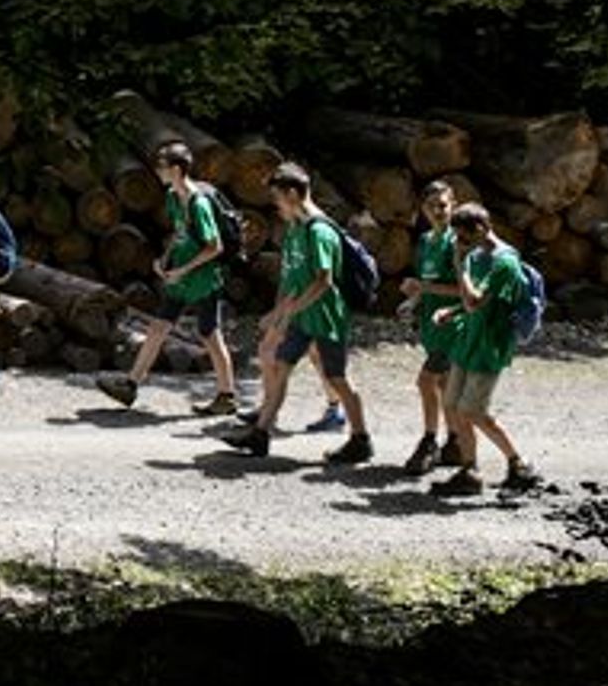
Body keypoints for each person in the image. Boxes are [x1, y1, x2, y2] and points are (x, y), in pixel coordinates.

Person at [223, 163, 372, 463]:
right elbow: (291, 279)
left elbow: (323, 280)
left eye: (278, 197)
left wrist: (289, 311)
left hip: (326, 318)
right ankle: (261, 434)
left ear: (293, 194)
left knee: (338, 378)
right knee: (280, 367)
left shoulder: (320, 232)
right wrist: (278, 313)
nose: (275, 204)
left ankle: (360, 439)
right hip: (301, 318)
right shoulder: (294, 230)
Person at [93, 142, 238, 415]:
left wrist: (183, 270)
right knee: (159, 327)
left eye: (161, 166)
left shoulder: (200, 202)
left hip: (204, 281)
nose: (157, 171)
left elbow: (214, 246)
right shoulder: (173, 196)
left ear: (176, 169)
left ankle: (227, 395)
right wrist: (165, 259)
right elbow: (179, 233)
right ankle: (131, 385)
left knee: (210, 335)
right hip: (180, 281)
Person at [427, 203, 541, 496]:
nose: (460, 244)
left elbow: (476, 301)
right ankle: (469, 471)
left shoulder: (505, 263)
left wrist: (459, 265)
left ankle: (519, 463)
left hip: (490, 347)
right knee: (452, 405)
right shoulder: (479, 256)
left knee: (474, 411)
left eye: (463, 237)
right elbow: (472, 303)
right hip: (469, 342)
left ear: (481, 229)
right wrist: (452, 312)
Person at [400, 180, 466, 475]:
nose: (438, 211)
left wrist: (422, 287)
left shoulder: (459, 243)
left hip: (454, 325)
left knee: (426, 382)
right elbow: (425, 284)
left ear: (453, 205)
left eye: (443, 205)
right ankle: (455, 443)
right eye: (431, 206)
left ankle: (429, 443)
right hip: (431, 327)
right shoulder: (426, 242)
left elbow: (466, 293)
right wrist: (412, 302)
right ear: (423, 210)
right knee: (443, 385)